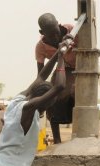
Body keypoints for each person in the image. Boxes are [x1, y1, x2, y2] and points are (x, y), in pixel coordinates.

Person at [36, 13, 77, 144]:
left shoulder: (71, 30)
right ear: (42, 32)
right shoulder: (41, 47)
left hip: (80, 68)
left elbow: (86, 47)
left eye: (56, 32)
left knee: (76, 92)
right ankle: (57, 140)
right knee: (52, 96)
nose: (55, 37)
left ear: (58, 24)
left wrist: (72, 40)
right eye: (51, 35)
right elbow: (41, 75)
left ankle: (78, 137)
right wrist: (41, 95)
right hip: (62, 69)